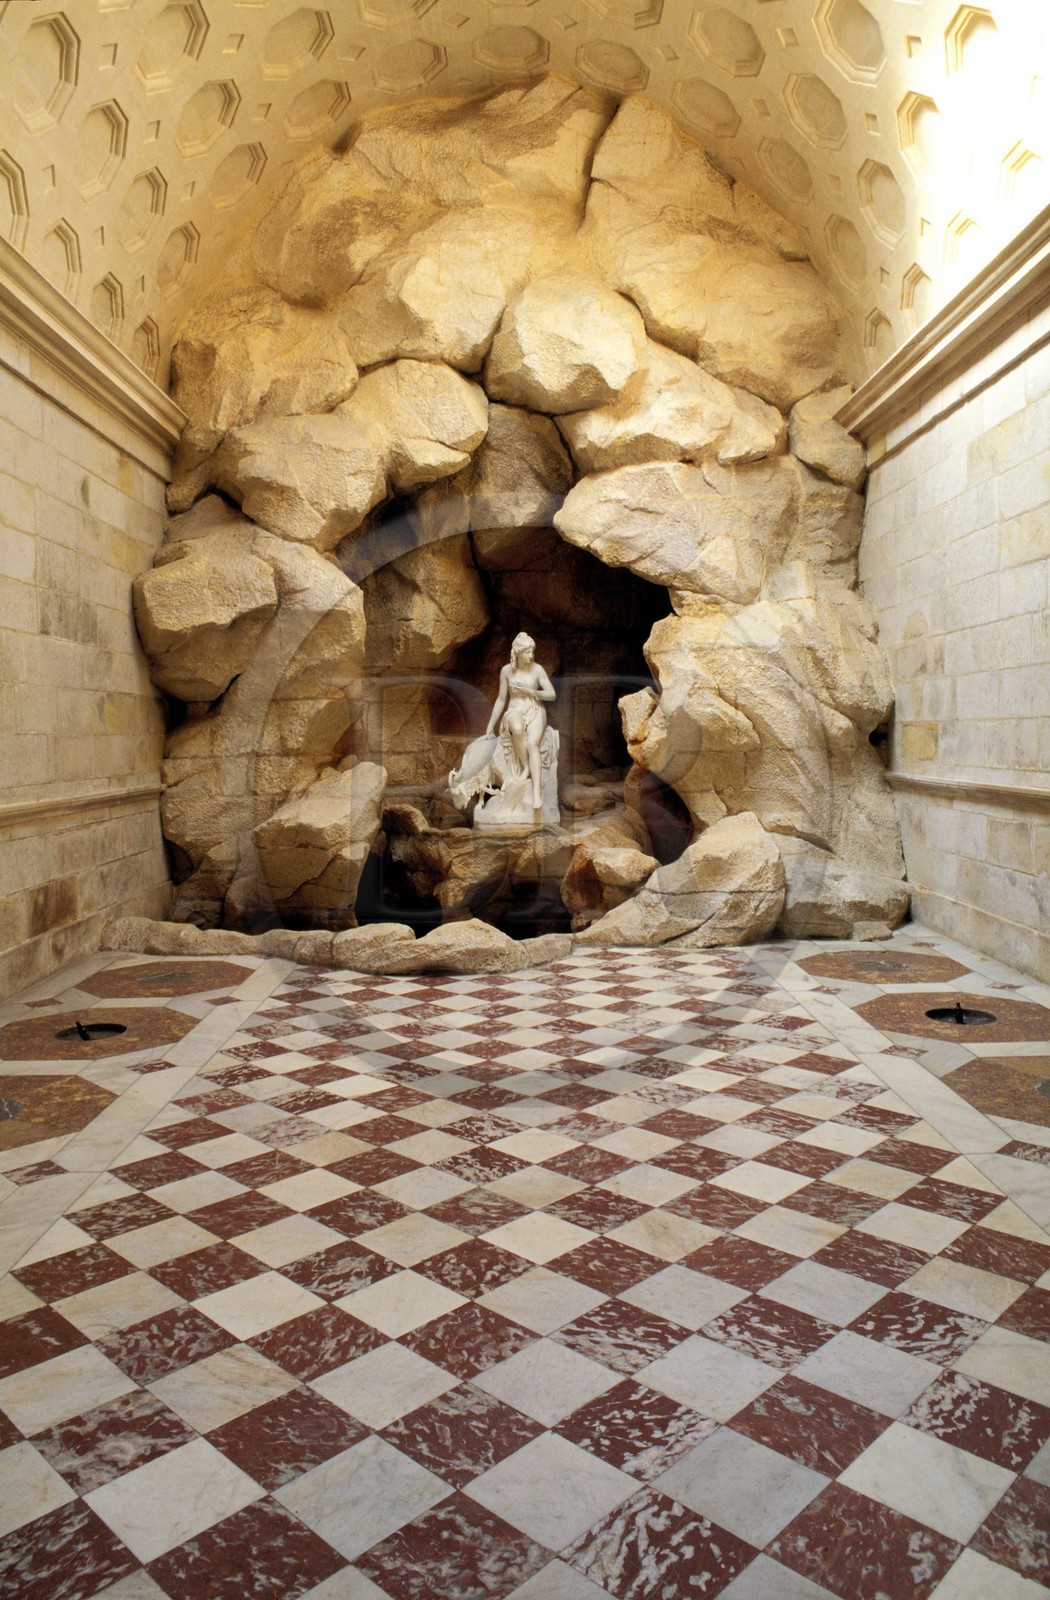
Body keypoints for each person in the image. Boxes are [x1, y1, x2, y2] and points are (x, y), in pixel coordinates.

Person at [485, 633, 556, 814]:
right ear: (518, 652)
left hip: (535, 709)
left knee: (532, 743)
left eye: (532, 651)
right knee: (516, 729)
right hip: (515, 709)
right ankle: (525, 768)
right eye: (527, 652)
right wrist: (490, 725)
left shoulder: (537, 669)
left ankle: (536, 792)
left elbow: (551, 694)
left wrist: (531, 691)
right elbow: (501, 700)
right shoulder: (507, 671)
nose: (531, 655)